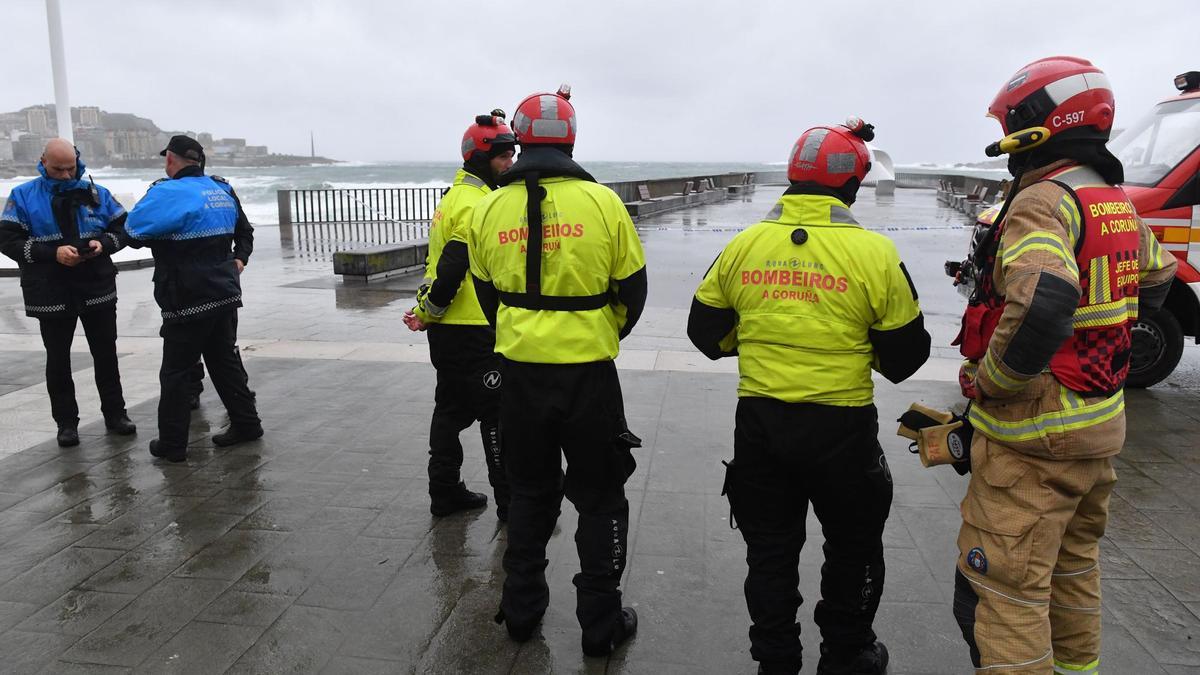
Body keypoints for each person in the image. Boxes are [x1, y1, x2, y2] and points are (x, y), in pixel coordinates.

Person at [952, 56, 1177, 674]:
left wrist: (992, 383)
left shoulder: (1043, 202)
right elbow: (1156, 273)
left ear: (1036, 127)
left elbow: (1045, 303)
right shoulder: (1112, 201)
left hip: (1035, 445)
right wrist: (1104, 338)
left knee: (1006, 594)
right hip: (1099, 430)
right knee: (1073, 576)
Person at [688, 119, 930, 675]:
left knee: (769, 552)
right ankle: (847, 654)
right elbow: (904, 359)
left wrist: (753, 339)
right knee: (854, 546)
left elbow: (706, 334)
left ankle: (775, 659)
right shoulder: (874, 253)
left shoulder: (744, 245)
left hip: (761, 426)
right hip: (842, 431)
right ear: (852, 186)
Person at [467, 85, 647, 657]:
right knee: (599, 497)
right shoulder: (603, 204)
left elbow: (487, 291)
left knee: (528, 493)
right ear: (571, 139)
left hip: (520, 374)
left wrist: (527, 328)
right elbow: (633, 292)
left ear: (519, 140)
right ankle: (600, 622)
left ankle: (521, 610)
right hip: (588, 375)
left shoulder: (491, 206)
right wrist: (597, 329)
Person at [402, 110, 515, 520]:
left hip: (449, 331)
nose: (511, 162)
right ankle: (510, 503)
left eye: (512, 154)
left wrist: (426, 312)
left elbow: (435, 265)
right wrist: (429, 310)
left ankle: (445, 491)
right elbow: (450, 267)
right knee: (495, 414)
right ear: (480, 158)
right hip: (472, 328)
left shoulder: (453, 198)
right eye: (503, 156)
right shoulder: (478, 204)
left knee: (448, 410)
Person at [124, 135, 261, 462]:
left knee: (176, 372)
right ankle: (247, 424)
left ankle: (172, 444)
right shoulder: (222, 190)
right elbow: (245, 232)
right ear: (199, 162)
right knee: (224, 363)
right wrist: (239, 258)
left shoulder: (164, 192)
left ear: (170, 160)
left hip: (185, 298)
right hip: (224, 295)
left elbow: (132, 234)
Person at [0, 138, 136, 446]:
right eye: (58, 169)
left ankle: (116, 414)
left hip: (96, 285)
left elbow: (125, 228)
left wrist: (105, 243)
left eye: (70, 168)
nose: (65, 175)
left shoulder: (97, 194)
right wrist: (52, 253)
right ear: (43, 162)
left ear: (78, 161)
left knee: (106, 355)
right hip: (50, 290)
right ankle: (66, 423)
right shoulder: (22, 196)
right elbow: (7, 240)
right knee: (58, 359)